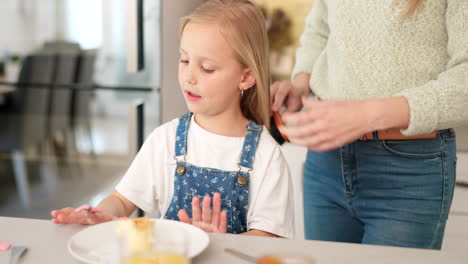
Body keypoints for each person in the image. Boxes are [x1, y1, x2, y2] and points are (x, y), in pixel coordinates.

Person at [51, 0, 294, 238]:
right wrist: (96, 215)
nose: (189, 76)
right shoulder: (165, 140)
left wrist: (220, 243)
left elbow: (268, 236)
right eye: (185, 60)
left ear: (246, 77)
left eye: (207, 68)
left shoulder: (266, 155)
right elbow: (122, 199)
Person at [271, 0, 465, 248]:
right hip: (326, 162)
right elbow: (320, 29)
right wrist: (301, 83)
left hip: (409, 169)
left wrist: (365, 115)